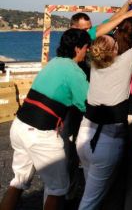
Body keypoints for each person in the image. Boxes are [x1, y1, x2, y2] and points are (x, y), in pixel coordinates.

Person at [76, 8, 132, 210]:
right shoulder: (124, 63)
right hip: (107, 140)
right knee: (90, 202)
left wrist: (127, 16)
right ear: (114, 51)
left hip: (85, 133)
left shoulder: (94, 65)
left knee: (95, 192)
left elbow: (104, 36)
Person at [0, 29, 90, 210]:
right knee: (58, 189)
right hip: (40, 133)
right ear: (77, 48)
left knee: (19, 180)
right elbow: (87, 104)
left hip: (19, 126)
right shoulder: (74, 71)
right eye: (86, 48)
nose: (87, 52)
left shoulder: (54, 62)